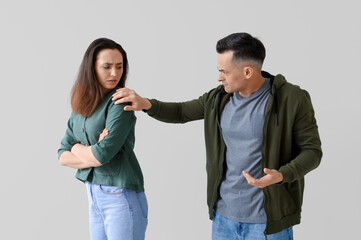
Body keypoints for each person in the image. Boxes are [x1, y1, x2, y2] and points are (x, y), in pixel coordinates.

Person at [112, 32, 322, 239]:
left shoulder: (292, 99)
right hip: (224, 219)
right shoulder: (217, 98)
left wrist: (282, 175)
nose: (219, 77)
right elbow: (181, 111)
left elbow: (312, 151)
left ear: (247, 71)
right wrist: (146, 104)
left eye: (225, 71)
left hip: (267, 223)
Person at [58, 38, 148, 240]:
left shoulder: (120, 102)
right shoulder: (82, 104)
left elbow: (101, 156)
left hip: (121, 195)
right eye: (107, 67)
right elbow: (61, 155)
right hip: (94, 194)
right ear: (91, 68)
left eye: (119, 66)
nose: (115, 73)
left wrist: (77, 148)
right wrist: (89, 149)